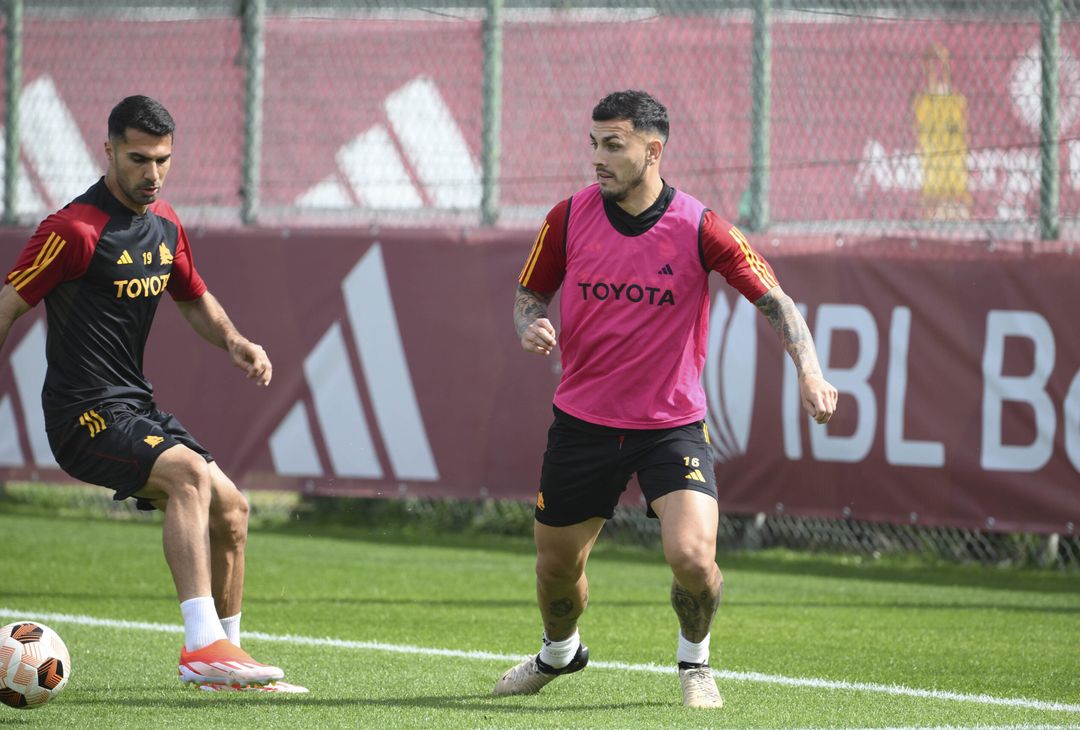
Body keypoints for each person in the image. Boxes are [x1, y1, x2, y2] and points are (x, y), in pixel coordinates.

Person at [494, 90, 838, 708]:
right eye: (594, 144)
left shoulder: (700, 227)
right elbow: (528, 295)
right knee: (556, 570)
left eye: (613, 145)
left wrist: (810, 373)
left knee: (693, 558)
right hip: (582, 423)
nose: (598, 158)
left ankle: (695, 662)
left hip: (670, 427)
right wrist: (528, 324)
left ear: (653, 152)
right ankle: (559, 652)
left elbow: (776, 301)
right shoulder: (567, 218)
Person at [0, 96, 304, 693]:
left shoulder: (164, 222)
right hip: (82, 416)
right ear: (109, 150)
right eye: (139, 158)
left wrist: (235, 341)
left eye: (162, 159)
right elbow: (7, 306)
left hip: (134, 407)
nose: (153, 173)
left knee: (233, 511)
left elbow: (192, 296)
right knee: (187, 475)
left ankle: (225, 664)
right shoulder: (72, 231)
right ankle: (201, 647)